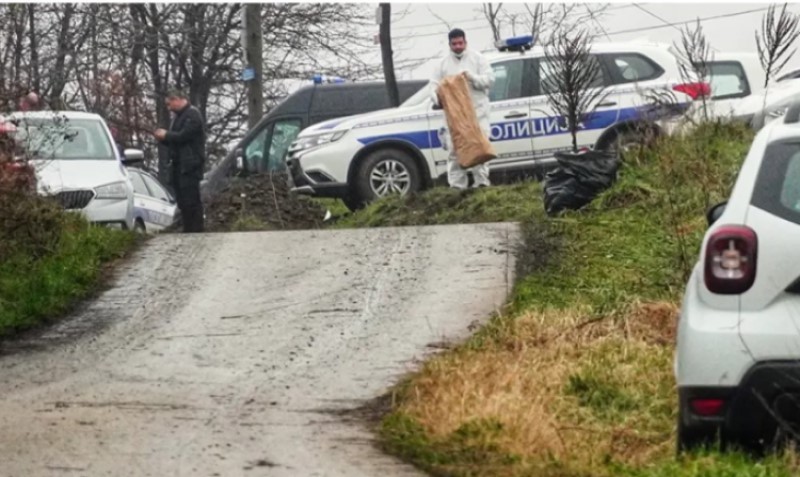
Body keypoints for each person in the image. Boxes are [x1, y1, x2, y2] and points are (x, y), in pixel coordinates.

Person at [431, 28, 495, 190]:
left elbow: (490, 80)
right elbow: (434, 85)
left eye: (460, 43)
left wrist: (473, 78)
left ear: (465, 42)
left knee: (479, 148)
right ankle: (457, 186)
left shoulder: (478, 59)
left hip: (478, 113)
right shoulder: (443, 65)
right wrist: (435, 96)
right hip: (455, 117)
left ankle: (481, 183)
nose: (458, 46)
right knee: (454, 149)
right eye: (454, 44)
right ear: (450, 44)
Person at [153, 89, 206, 233]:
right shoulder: (178, 118)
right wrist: (163, 139)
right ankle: (187, 228)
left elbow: (184, 136)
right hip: (178, 166)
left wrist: (167, 135)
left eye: (170, 104)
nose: (169, 108)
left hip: (190, 166)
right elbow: (175, 141)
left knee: (191, 201)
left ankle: (196, 230)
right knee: (182, 201)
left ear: (177, 99)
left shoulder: (192, 115)